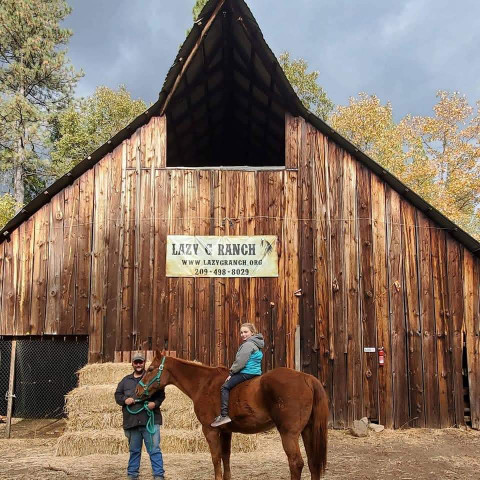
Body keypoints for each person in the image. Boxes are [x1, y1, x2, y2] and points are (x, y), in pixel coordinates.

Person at [114, 352, 166, 480]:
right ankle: (132, 475)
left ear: (144, 363)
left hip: (150, 420)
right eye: (136, 362)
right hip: (132, 421)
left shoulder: (152, 377)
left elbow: (161, 395)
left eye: (140, 362)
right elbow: (117, 395)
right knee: (134, 451)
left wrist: (155, 403)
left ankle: (158, 476)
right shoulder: (125, 381)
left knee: (154, 450)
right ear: (132, 363)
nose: (138, 364)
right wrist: (125, 400)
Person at [211, 323, 264, 427]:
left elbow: (240, 362)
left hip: (247, 372)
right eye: (241, 332)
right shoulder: (257, 344)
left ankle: (224, 415)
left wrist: (232, 373)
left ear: (252, 332)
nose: (243, 334)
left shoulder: (248, 345)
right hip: (256, 373)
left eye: (245, 332)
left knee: (225, 387)